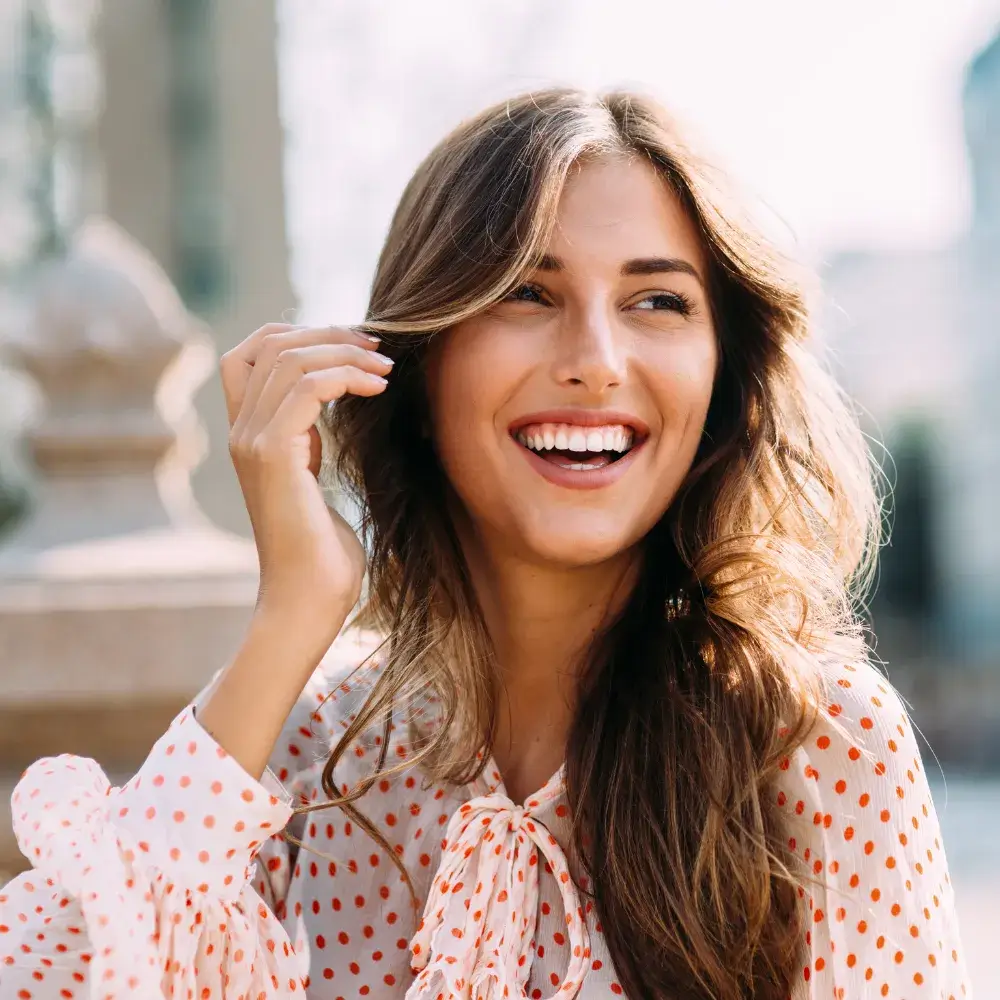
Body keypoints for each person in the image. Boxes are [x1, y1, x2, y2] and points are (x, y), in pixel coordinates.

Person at [0, 88, 971, 1000]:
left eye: (657, 302)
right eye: (525, 294)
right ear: (415, 370)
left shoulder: (815, 741)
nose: (595, 359)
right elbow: (55, 975)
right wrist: (290, 615)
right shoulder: (321, 752)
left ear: (722, 379)